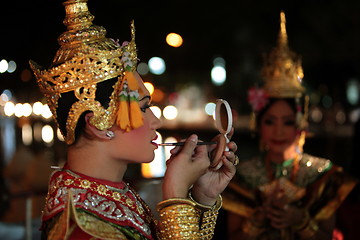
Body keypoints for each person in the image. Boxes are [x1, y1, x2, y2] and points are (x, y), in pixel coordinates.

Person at [29, 0, 238, 239]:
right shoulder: (81, 230)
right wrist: (175, 195)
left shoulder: (108, 191)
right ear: (97, 124)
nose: (156, 122)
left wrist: (201, 197)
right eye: (142, 108)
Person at [222, 12, 358, 240]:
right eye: (269, 121)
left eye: (287, 122)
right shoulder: (241, 176)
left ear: (300, 125)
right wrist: (256, 220)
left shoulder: (323, 174)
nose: (278, 131)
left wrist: (301, 221)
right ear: (258, 125)